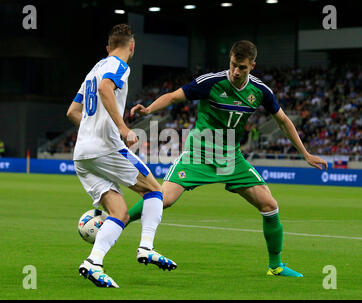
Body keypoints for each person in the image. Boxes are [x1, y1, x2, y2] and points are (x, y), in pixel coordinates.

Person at [129, 40, 328, 277]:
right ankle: (116, 220)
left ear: (252, 65)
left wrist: (305, 153)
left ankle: (275, 266)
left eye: (242, 67)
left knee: (269, 205)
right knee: (164, 198)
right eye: (233, 65)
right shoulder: (211, 82)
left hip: (230, 158)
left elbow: (283, 121)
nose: (235, 71)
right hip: (199, 154)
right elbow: (173, 97)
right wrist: (149, 110)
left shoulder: (260, 92)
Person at [66, 24, 176, 288]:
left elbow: (72, 111)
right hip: (107, 148)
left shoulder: (93, 70)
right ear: (132, 46)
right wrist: (123, 128)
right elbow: (106, 89)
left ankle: (93, 263)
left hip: (82, 154)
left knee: (120, 213)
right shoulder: (118, 65)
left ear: (107, 47)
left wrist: (90, 133)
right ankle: (146, 247)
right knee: (154, 190)